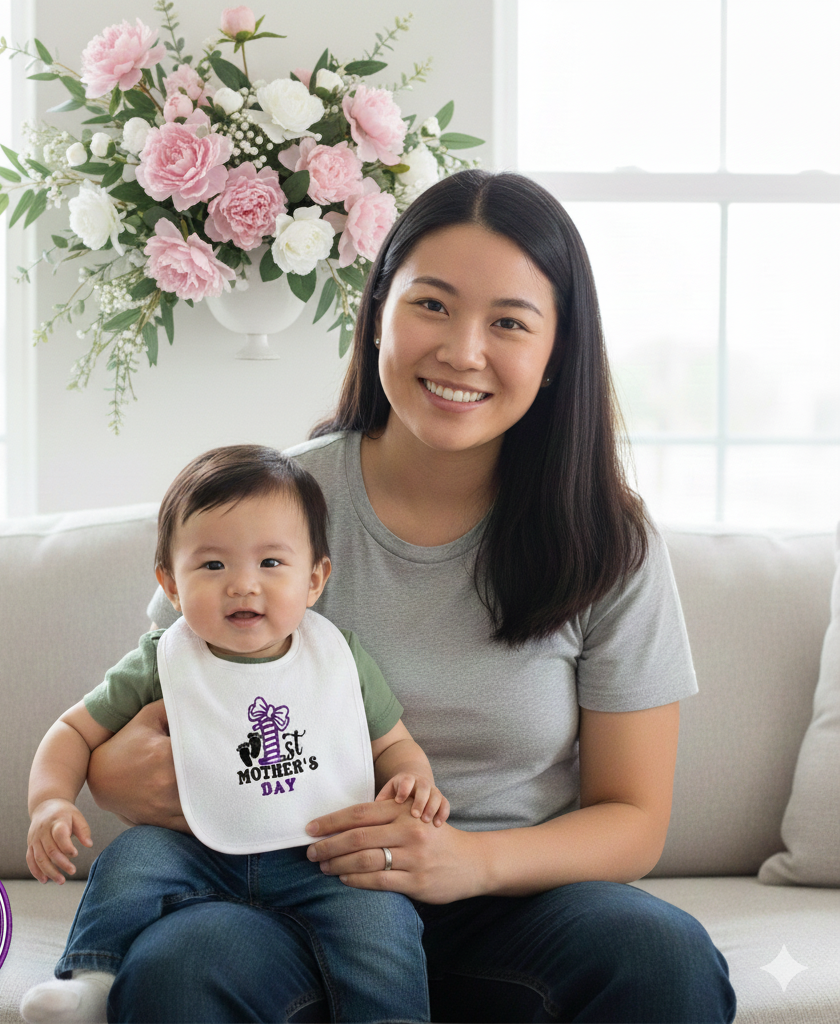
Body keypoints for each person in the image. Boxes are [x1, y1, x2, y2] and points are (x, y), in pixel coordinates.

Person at [84, 169, 739, 1023]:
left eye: (508, 322)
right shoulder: (273, 509)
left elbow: (634, 820)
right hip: (283, 895)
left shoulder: (608, 539)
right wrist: (109, 770)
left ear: (555, 356)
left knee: (662, 952)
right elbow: (140, 713)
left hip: (510, 901)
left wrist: (467, 861)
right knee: (183, 963)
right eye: (432, 305)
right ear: (378, 312)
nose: (463, 351)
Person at [20, 444, 450, 1024]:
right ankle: (92, 981)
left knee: (382, 917)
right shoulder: (161, 661)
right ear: (170, 584)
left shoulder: (338, 657)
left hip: (323, 856)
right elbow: (74, 729)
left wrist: (413, 782)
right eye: (213, 565)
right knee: (131, 861)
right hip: (197, 849)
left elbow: (392, 743)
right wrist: (51, 800)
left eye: (271, 564)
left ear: (316, 578)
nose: (243, 586)